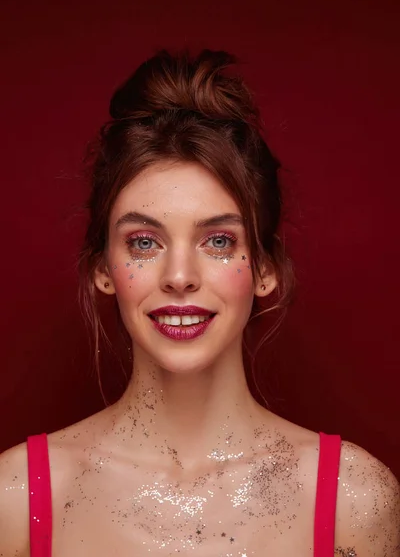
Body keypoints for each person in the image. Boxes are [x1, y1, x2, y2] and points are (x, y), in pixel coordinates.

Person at [0, 50, 399, 557]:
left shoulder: (352, 500)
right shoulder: (16, 498)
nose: (180, 278)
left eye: (218, 242)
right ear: (103, 269)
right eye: (144, 242)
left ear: (265, 268)